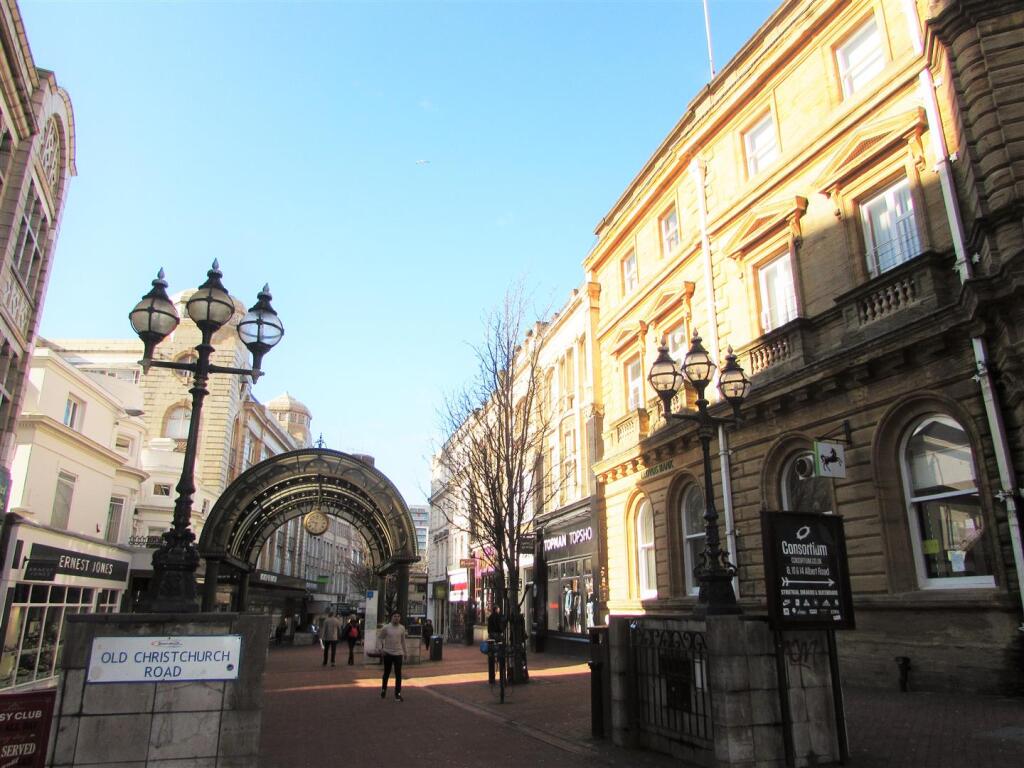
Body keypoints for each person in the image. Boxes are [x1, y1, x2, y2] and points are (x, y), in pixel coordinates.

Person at [377, 611, 407, 701]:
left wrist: (405, 652)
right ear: (391, 617)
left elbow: (403, 641)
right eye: (395, 616)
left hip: (398, 653)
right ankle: (384, 689)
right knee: (387, 672)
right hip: (388, 653)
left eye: (398, 616)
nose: (397, 618)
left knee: (398, 674)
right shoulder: (386, 628)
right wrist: (380, 649)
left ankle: (397, 693)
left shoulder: (402, 628)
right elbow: (379, 638)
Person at [486, 605, 506, 684]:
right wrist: (501, 631)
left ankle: (493, 656)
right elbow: (499, 626)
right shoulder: (498, 616)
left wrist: (490, 633)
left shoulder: (490, 617)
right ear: (496, 610)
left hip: (491, 635)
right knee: (500, 645)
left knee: (492, 648)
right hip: (497, 634)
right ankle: (498, 657)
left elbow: (488, 627)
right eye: (498, 609)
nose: (499, 610)